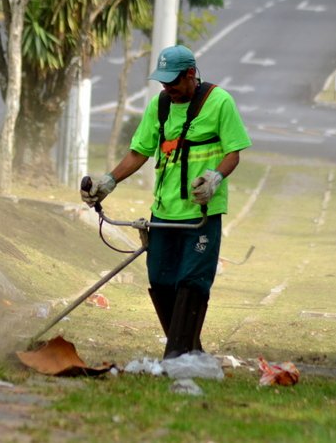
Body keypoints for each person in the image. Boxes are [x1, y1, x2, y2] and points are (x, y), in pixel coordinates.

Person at [81, 44, 251, 359]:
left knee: (192, 282)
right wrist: (109, 181)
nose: (167, 88)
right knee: (160, 280)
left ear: (190, 74)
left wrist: (215, 178)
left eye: (173, 82)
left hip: (201, 214)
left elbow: (234, 152)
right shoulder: (160, 106)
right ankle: (189, 350)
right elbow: (139, 151)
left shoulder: (220, 102)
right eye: (162, 82)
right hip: (163, 213)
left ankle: (176, 354)